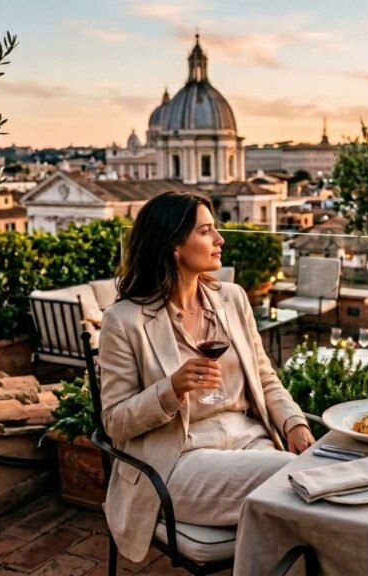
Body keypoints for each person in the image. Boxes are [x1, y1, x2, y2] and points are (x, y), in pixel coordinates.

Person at [98, 191, 315, 563]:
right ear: (174, 247)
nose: (220, 240)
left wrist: (293, 423)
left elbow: (264, 376)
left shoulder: (232, 299)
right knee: (299, 482)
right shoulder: (124, 320)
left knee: (303, 488)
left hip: (250, 441)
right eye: (206, 231)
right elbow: (114, 423)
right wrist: (171, 389)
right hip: (178, 459)